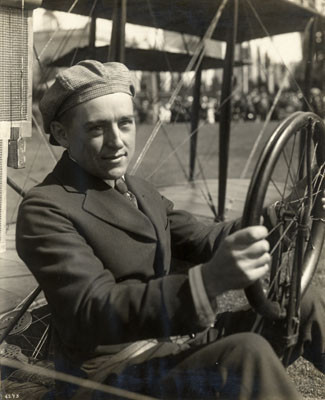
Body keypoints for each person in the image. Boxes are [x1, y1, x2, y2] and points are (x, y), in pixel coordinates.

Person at [16, 61, 325, 400]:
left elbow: (204, 240)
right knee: (244, 354)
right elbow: (94, 308)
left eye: (125, 123)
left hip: (166, 349)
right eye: (96, 129)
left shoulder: (139, 190)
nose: (116, 141)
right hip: (107, 378)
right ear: (61, 133)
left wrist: (291, 210)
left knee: (303, 302)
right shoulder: (45, 208)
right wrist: (205, 282)